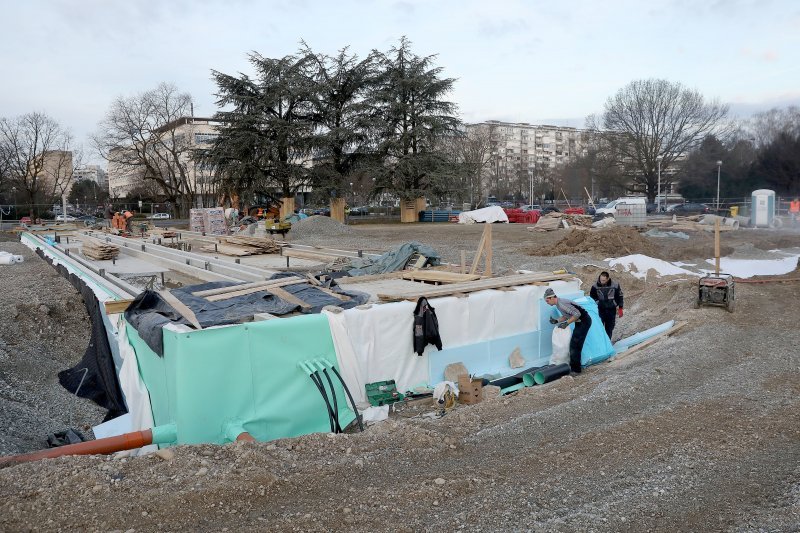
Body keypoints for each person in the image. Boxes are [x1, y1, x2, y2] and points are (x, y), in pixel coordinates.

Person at [544, 288, 591, 374]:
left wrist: (566, 323)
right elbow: (567, 315)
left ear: (551, 298)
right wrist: (557, 321)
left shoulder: (562, 304)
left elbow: (577, 314)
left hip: (584, 321)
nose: (547, 303)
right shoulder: (559, 304)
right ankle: (574, 367)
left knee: (575, 345)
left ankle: (576, 370)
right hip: (580, 322)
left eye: (547, 301)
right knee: (574, 344)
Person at [590, 271, 624, 339]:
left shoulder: (615, 285)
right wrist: (598, 303)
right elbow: (592, 297)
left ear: (608, 279)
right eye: (601, 279)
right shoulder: (595, 287)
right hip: (600, 310)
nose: (602, 281)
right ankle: (601, 343)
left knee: (610, 328)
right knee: (600, 328)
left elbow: (620, 295)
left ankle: (608, 343)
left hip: (611, 310)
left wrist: (620, 307)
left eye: (603, 280)